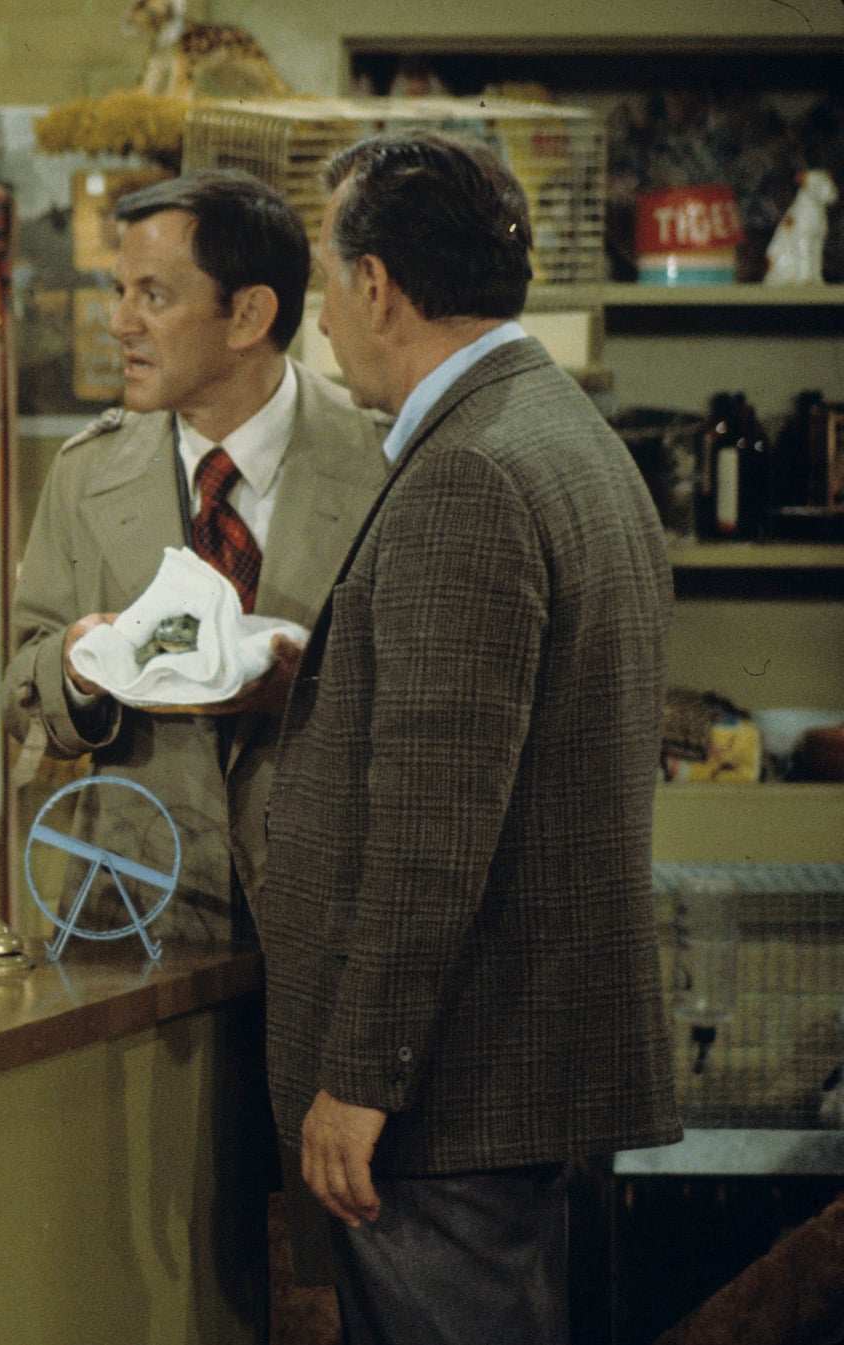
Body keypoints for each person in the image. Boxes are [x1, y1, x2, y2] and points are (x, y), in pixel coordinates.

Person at [260, 130, 680, 1343]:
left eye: (326, 282)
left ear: (375, 284)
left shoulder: (467, 474)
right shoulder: (557, 428)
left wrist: (358, 1081)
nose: (321, 320)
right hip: (513, 1082)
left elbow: (433, 832)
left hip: (448, 1103)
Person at [4, 169, 387, 946]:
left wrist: (311, 690)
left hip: (327, 921)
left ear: (248, 315)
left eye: (153, 295)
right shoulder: (86, 473)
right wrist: (76, 667)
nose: (118, 323)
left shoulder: (383, 461)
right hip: (134, 917)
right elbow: (21, 693)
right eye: (119, 292)